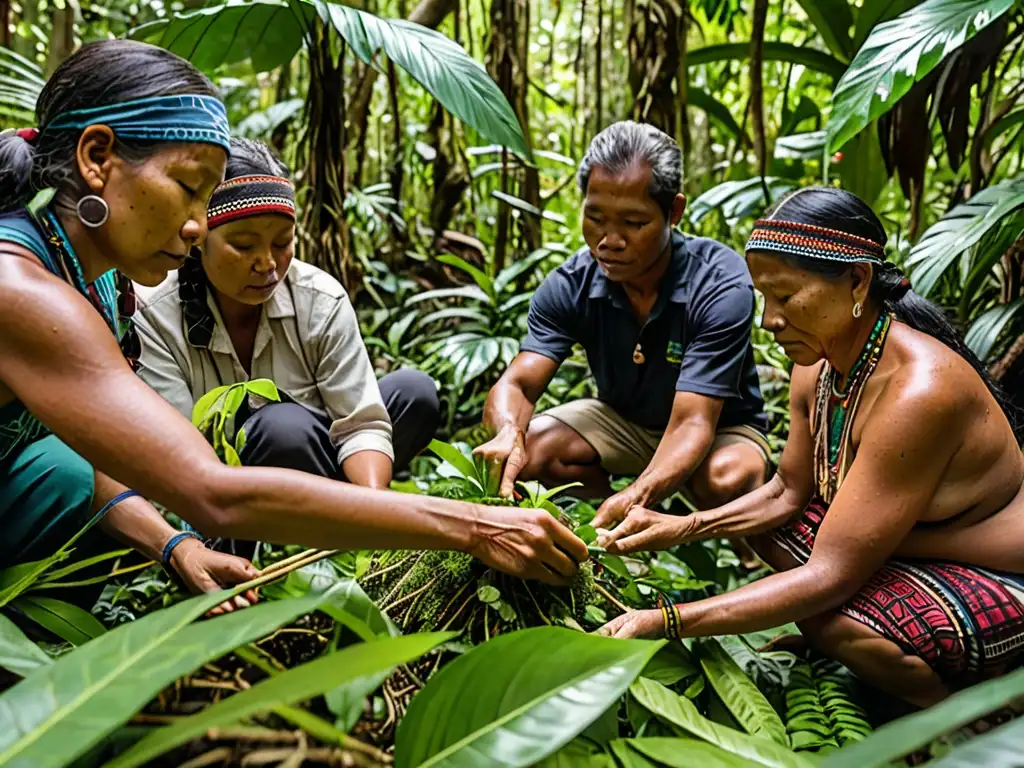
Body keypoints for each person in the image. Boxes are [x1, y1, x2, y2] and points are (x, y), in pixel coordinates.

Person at [0, 40, 587, 600]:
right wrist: (475, 527)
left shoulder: (93, 277)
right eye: (187, 187)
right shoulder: (21, 287)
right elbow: (211, 492)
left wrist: (174, 546)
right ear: (97, 158)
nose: (198, 225)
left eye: (208, 200)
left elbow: (89, 452)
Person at [595, 186, 1024, 707]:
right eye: (764, 298)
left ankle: (960, 711)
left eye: (787, 296)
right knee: (772, 530)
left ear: (857, 281)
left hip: (998, 573)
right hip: (904, 544)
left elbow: (828, 573)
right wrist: (682, 527)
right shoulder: (818, 363)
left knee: (829, 618)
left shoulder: (920, 391)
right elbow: (786, 492)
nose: (770, 320)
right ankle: (857, 638)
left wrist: (666, 621)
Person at [475, 121, 771, 530]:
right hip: (623, 419)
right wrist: (509, 431)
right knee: (537, 448)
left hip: (717, 424)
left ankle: (740, 550)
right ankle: (603, 547)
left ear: (674, 211)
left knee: (726, 478)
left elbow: (693, 421)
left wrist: (635, 495)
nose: (609, 240)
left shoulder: (718, 281)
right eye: (595, 218)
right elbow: (519, 384)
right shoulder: (570, 284)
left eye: (633, 223)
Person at [134, 138, 439, 496]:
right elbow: (184, 452)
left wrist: (375, 506)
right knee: (282, 429)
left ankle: (343, 521)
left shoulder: (320, 298)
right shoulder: (155, 313)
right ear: (199, 236)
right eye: (244, 246)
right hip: (221, 486)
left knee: (414, 394)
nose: (266, 264)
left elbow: (360, 424)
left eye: (282, 243)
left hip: (320, 454)